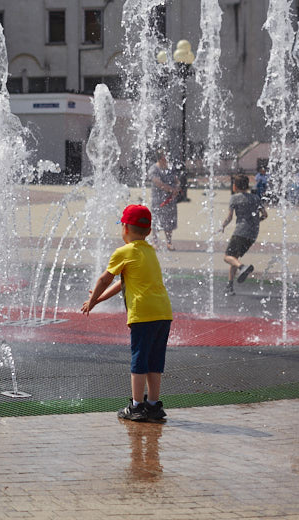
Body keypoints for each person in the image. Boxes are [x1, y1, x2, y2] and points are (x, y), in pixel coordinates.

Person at [81, 203, 173, 423]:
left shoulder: (124, 252)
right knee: (154, 361)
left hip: (143, 313)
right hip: (163, 313)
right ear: (148, 232)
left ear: (124, 228)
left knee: (139, 360)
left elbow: (105, 279)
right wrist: (99, 299)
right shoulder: (149, 251)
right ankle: (153, 405)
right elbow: (122, 283)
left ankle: (136, 406)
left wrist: (92, 301)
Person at [218, 174, 267, 295]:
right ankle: (229, 287)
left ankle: (242, 268)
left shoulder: (234, 198)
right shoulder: (256, 198)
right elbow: (265, 215)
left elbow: (229, 217)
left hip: (240, 232)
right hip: (253, 234)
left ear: (235, 186)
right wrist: (255, 222)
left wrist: (222, 226)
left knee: (227, 257)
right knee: (234, 258)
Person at [147, 152, 179, 249]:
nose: (167, 158)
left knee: (169, 220)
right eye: (165, 157)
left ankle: (169, 242)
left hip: (170, 200)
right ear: (160, 158)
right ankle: (155, 241)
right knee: (156, 220)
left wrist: (177, 187)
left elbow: (176, 179)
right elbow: (158, 183)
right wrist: (171, 189)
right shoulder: (154, 169)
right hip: (158, 200)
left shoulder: (170, 168)